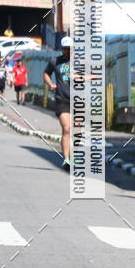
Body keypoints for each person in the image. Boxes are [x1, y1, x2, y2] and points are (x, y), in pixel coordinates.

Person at [43, 36, 73, 170]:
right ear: (62, 49)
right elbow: (46, 73)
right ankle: (66, 159)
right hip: (62, 99)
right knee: (66, 128)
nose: (67, 51)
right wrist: (50, 84)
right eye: (65, 48)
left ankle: (74, 156)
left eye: (69, 48)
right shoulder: (55, 61)